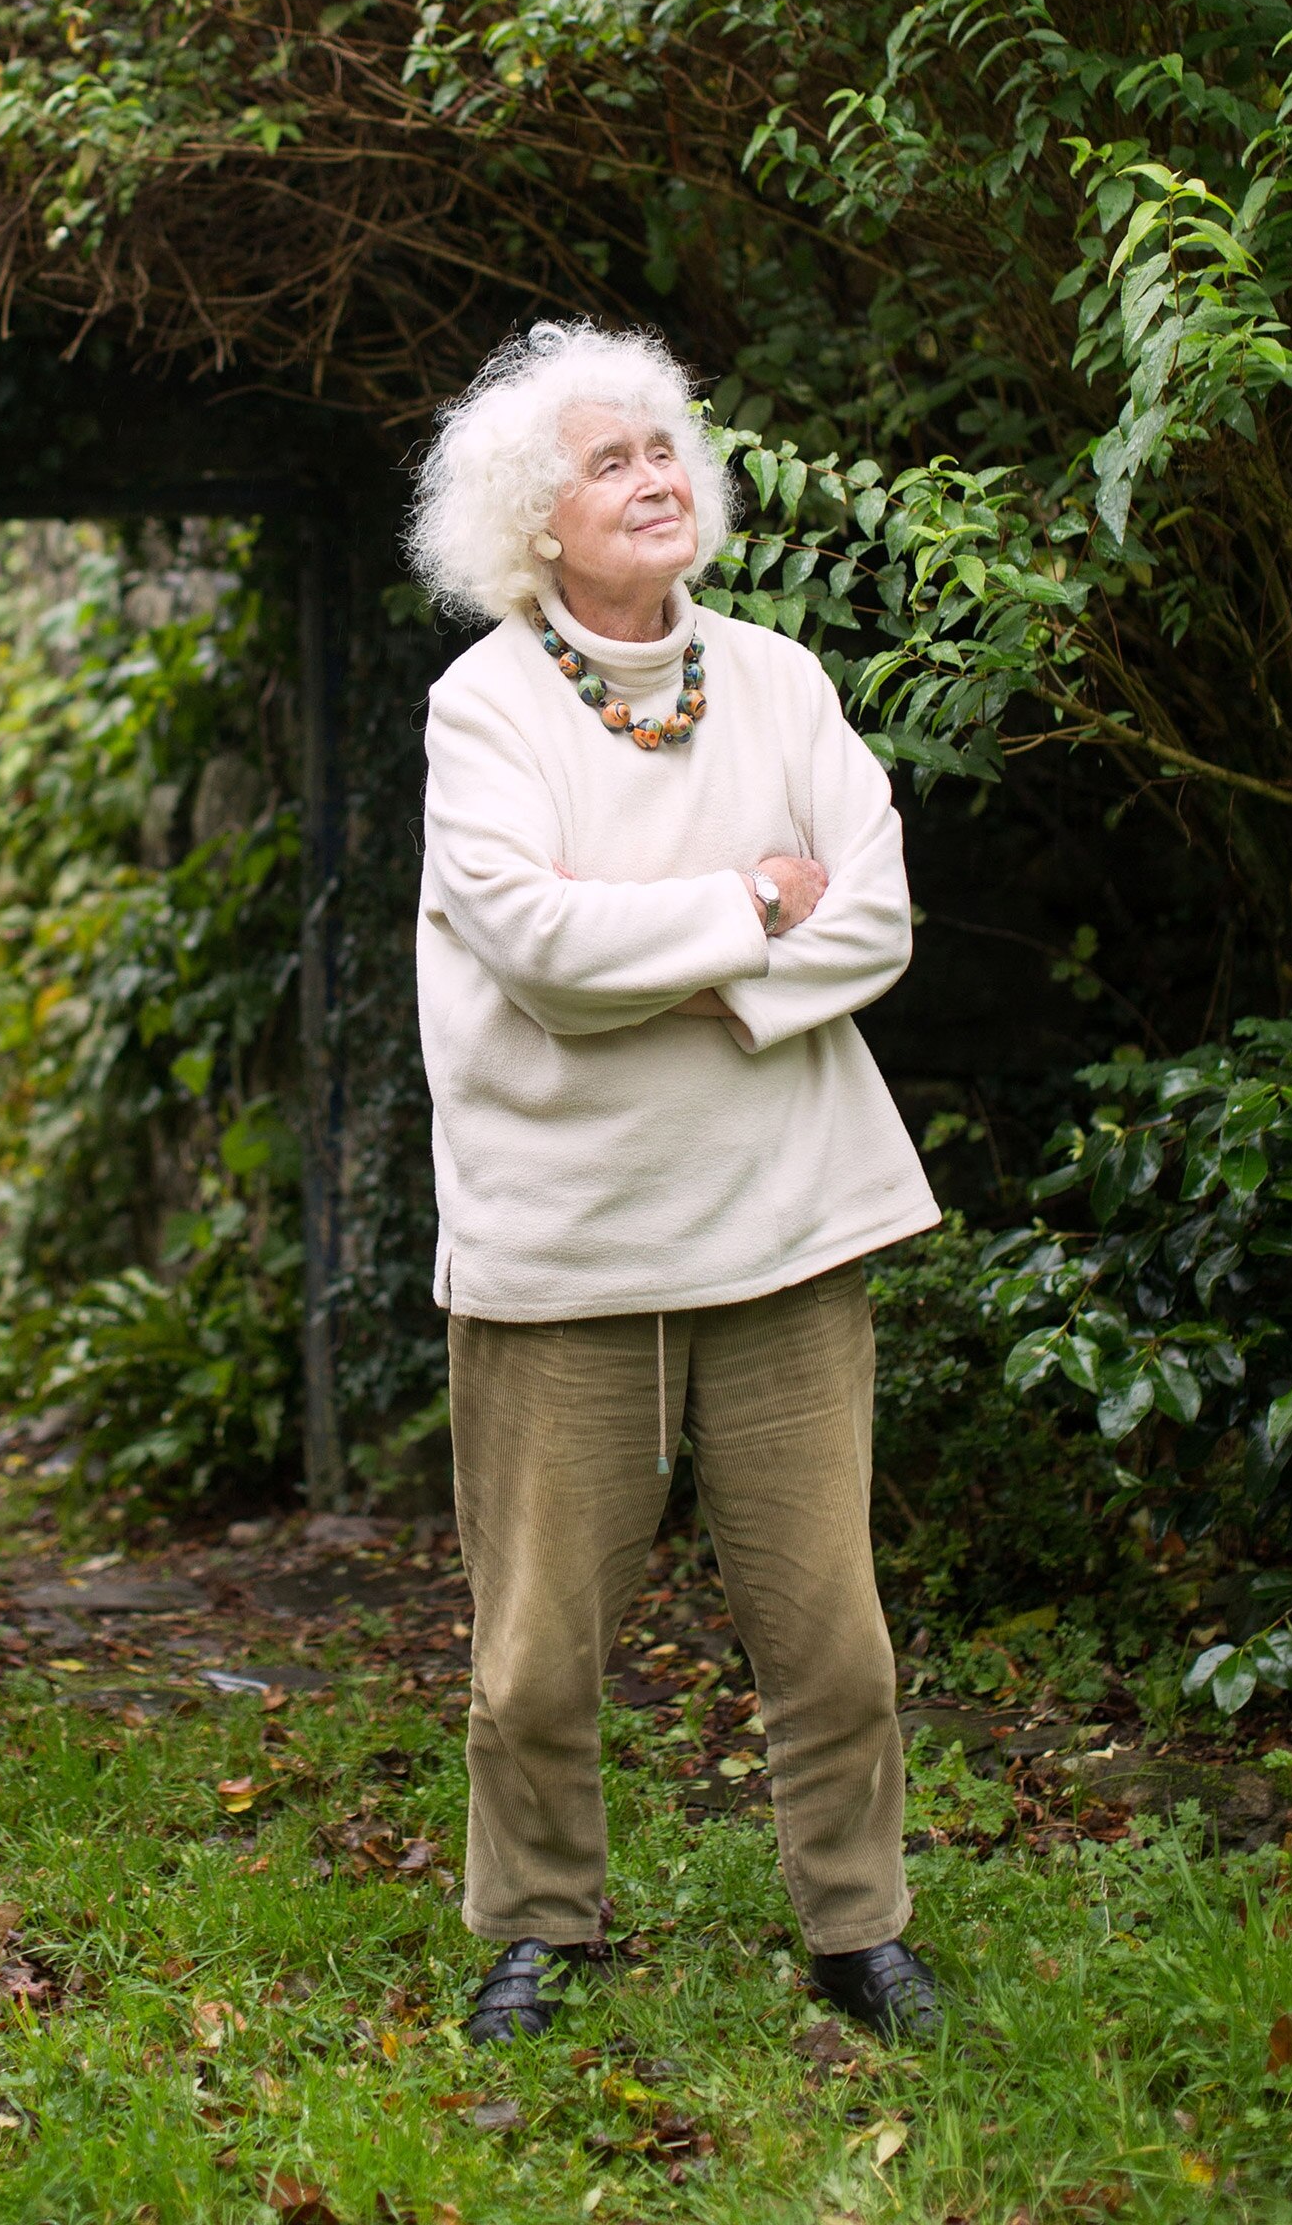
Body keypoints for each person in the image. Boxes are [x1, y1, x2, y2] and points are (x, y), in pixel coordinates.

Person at [408, 319, 943, 2047]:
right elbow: (547, 952)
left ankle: (857, 1929)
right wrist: (748, 917)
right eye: (605, 462)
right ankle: (543, 1927)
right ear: (533, 525)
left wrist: (715, 954)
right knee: (538, 1652)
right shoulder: (481, 710)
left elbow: (878, 909)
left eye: (664, 451)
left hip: (788, 1224)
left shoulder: (780, 681)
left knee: (833, 1636)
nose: (652, 480)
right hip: (565, 1249)